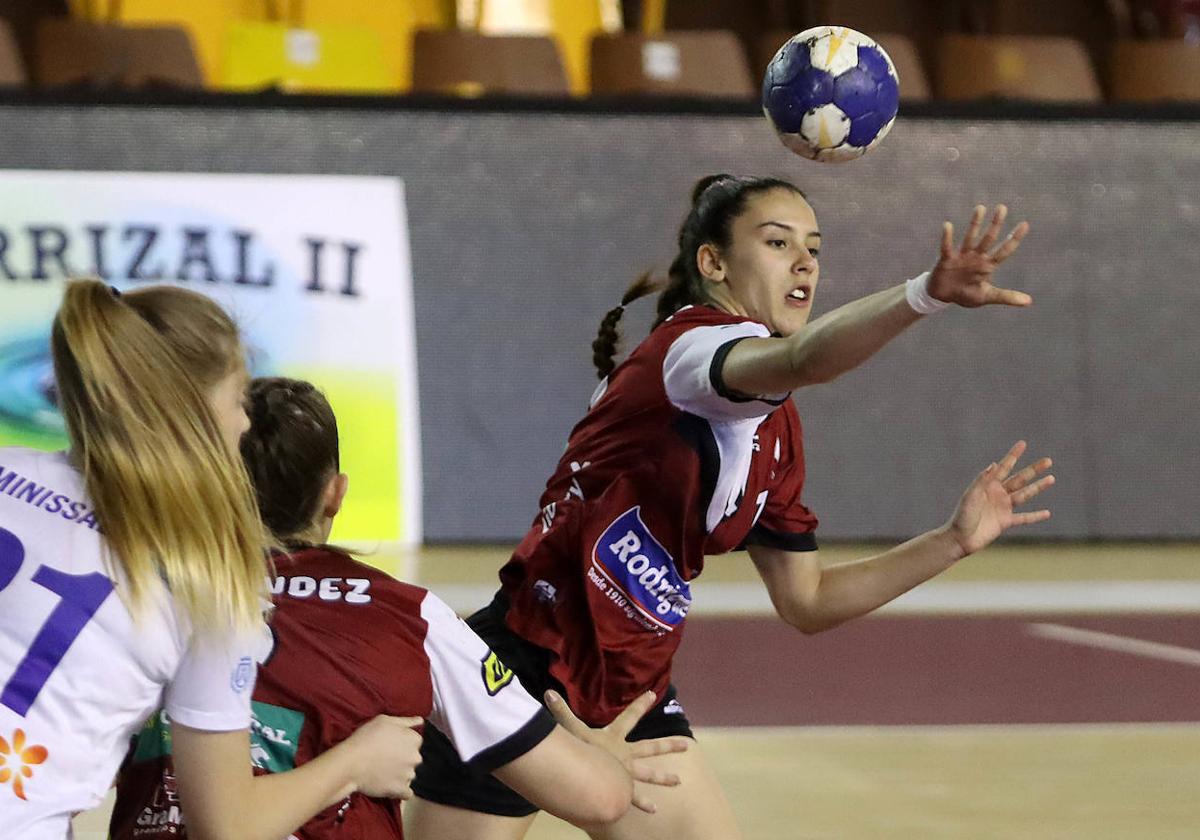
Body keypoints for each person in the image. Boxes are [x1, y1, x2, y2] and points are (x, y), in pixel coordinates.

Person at [406, 174, 1056, 840]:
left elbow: (807, 602)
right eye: (777, 243)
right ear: (712, 264)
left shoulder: (776, 433)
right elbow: (806, 357)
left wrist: (951, 540)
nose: (805, 262)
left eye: (814, 248)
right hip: (518, 676)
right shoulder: (692, 353)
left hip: (632, 695)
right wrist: (924, 295)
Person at [109, 376, 689, 839]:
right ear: (336, 493)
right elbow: (597, 798)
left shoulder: (141, 599)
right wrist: (600, 758)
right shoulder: (411, 617)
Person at [0, 281, 420, 840]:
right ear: (192, 416)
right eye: (239, 398)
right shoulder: (209, 583)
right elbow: (226, 827)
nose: (246, 422)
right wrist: (356, 761)